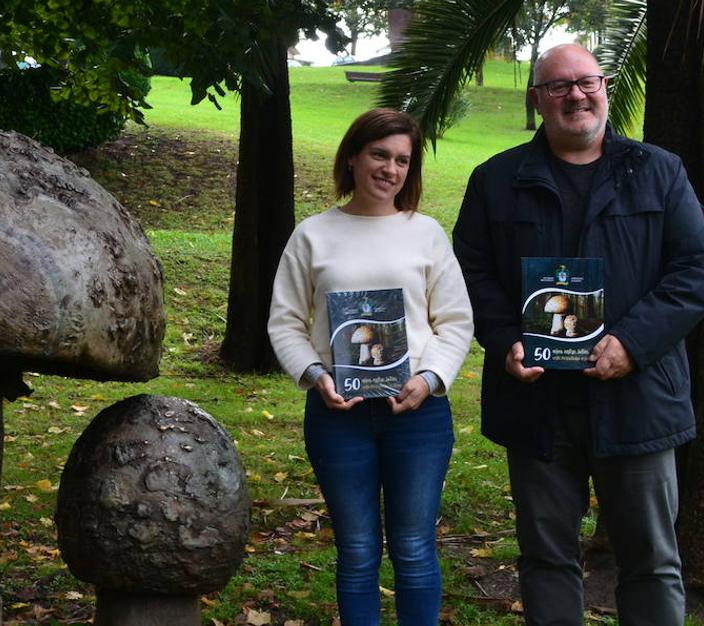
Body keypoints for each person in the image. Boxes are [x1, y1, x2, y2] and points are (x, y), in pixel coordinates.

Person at [453, 43, 704, 625]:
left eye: (586, 82)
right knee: (545, 558)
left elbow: (694, 269)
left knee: (651, 561)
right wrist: (503, 336)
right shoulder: (496, 180)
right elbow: (471, 270)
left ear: (605, 87)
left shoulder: (659, 171)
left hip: (638, 399)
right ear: (538, 99)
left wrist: (633, 345)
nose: (576, 95)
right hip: (536, 400)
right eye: (559, 86)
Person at [268, 108, 473, 625]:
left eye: (403, 160)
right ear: (354, 157)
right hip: (339, 417)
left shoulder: (425, 233)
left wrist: (429, 380)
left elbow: (455, 321)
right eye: (380, 155)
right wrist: (317, 376)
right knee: (357, 553)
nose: (390, 169)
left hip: (417, 418)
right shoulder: (312, 235)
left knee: (414, 549)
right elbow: (286, 323)